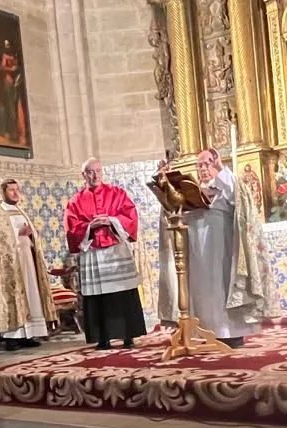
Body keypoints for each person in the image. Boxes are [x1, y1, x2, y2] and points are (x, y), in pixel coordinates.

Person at [156, 147, 271, 347]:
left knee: (222, 288)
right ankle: (204, 331)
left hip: (223, 250)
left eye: (207, 163)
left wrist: (220, 170)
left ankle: (230, 332)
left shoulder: (227, 186)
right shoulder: (191, 192)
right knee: (202, 291)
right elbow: (174, 213)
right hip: (197, 253)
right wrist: (165, 186)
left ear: (217, 163)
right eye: (199, 165)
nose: (203, 169)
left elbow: (238, 197)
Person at [65, 158, 145, 349]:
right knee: (98, 296)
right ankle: (103, 338)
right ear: (83, 175)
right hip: (93, 252)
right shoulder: (75, 200)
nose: (95, 175)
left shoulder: (117, 193)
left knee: (123, 291)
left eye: (98, 171)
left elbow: (130, 216)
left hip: (115, 250)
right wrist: (90, 226)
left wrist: (111, 221)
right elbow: (71, 227)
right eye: (90, 172)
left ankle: (128, 335)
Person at [0, 179, 55, 350]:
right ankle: (12, 337)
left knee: (30, 295)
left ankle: (28, 334)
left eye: (17, 189)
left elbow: (31, 234)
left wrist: (30, 235)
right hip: (9, 265)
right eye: (11, 190)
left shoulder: (21, 211)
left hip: (27, 259)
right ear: (3, 192)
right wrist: (17, 232)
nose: (15, 193)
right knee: (12, 297)